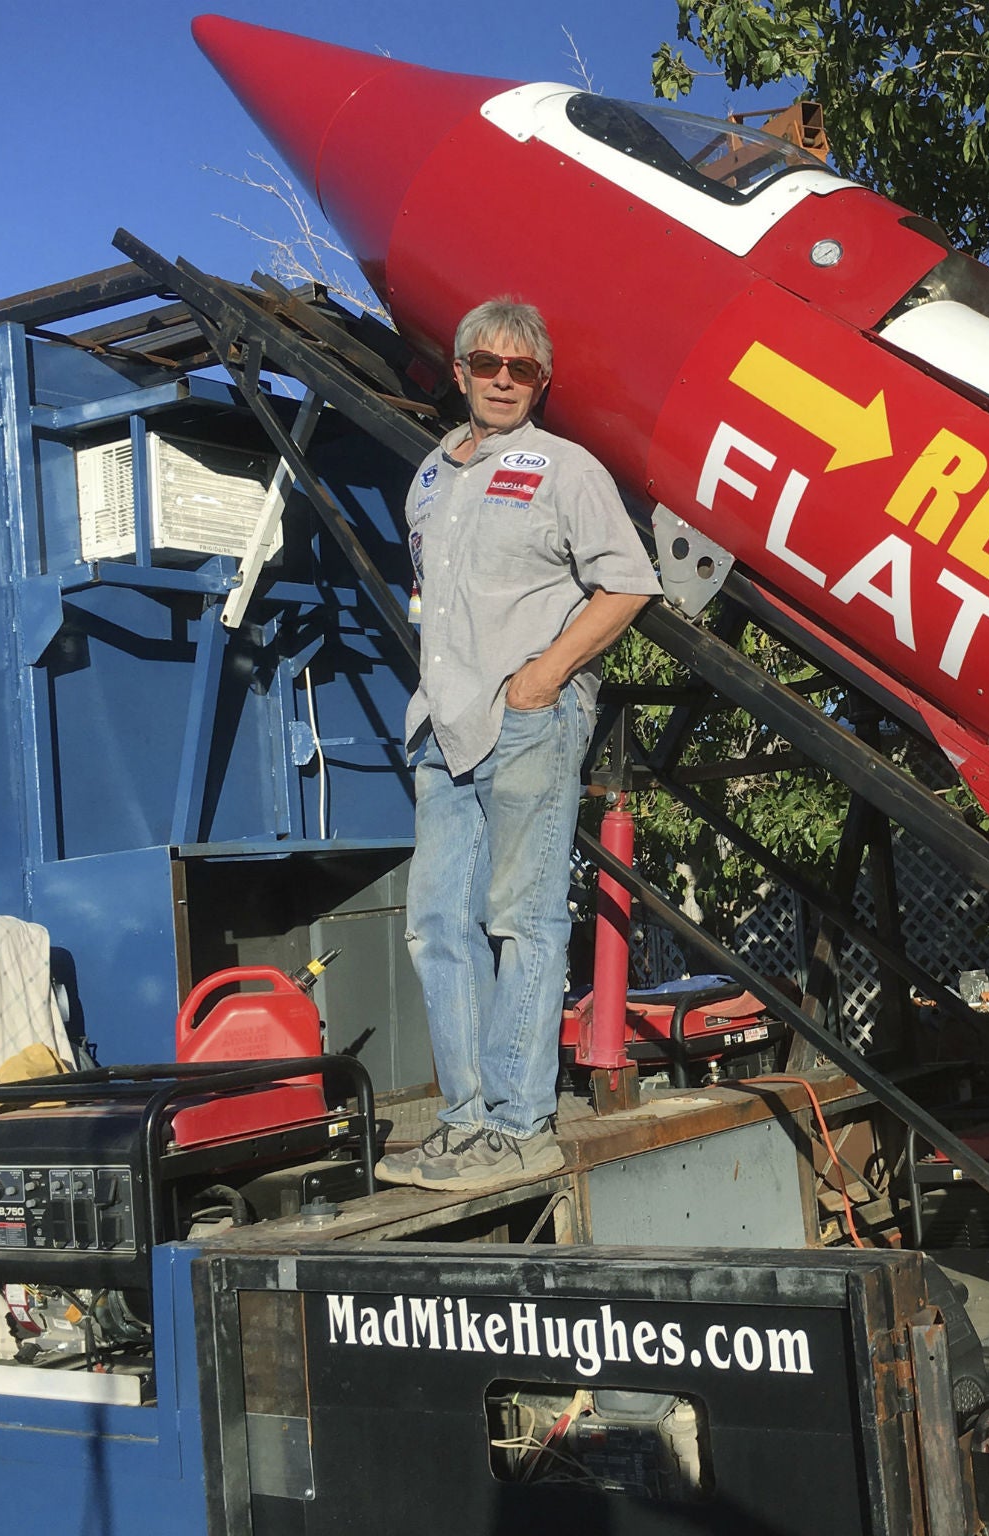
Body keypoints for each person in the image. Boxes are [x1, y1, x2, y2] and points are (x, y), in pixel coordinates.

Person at [375, 296, 659, 1193]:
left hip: (529, 718)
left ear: (542, 381)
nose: (502, 380)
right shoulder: (427, 478)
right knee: (436, 927)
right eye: (485, 365)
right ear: (457, 372)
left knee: (521, 919)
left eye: (521, 369)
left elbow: (628, 584)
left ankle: (520, 1123)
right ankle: (463, 1124)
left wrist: (543, 677)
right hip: (443, 727)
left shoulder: (567, 469)